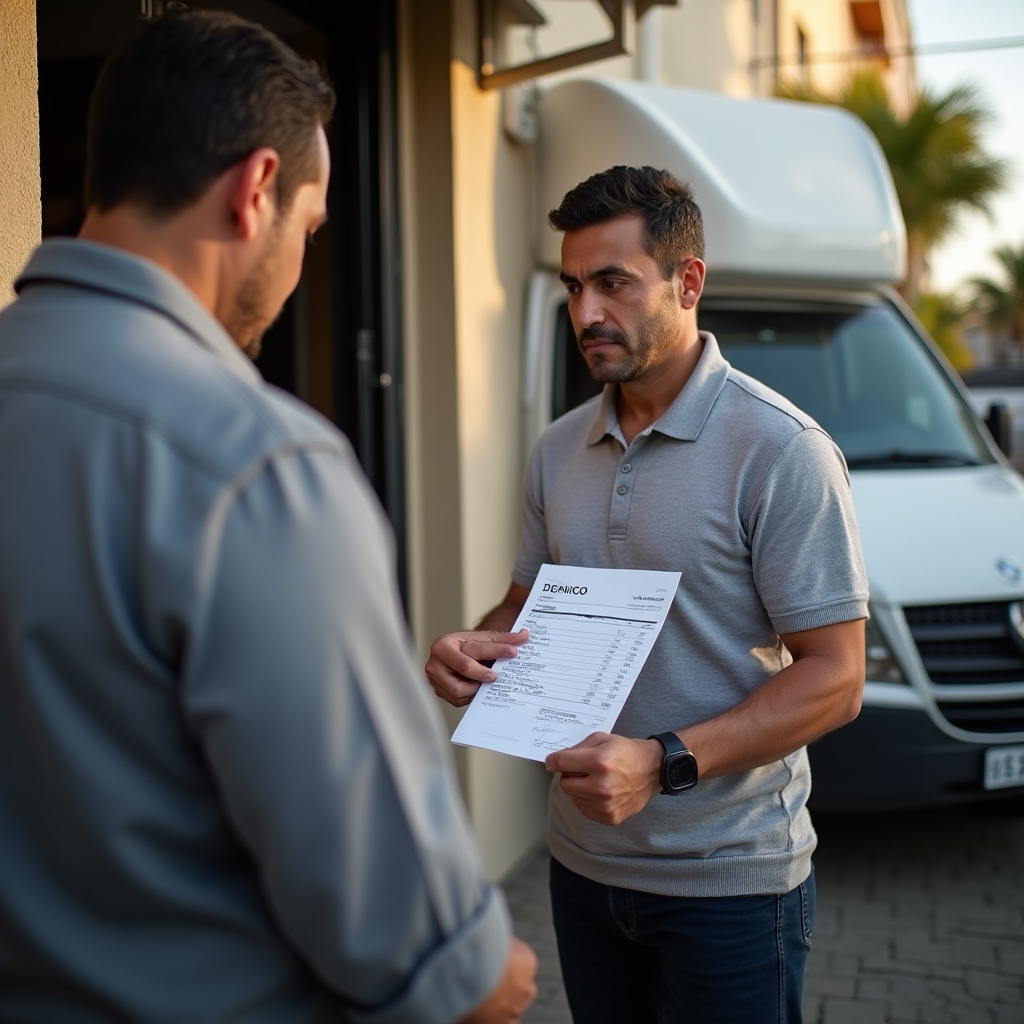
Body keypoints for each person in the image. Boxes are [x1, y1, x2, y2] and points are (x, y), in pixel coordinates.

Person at [0, 11, 536, 1023]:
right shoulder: (256, 462)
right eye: (313, 224)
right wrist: (481, 971)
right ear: (255, 194)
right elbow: (396, 922)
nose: (301, 266)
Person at [425, 166, 869, 1024]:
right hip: (583, 867)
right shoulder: (558, 448)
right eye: (573, 286)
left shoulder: (781, 449)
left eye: (614, 283)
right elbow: (522, 606)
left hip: (732, 882)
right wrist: (473, 646)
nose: (586, 312)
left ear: (687, 281)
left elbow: (837, 678)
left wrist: (662, 760)